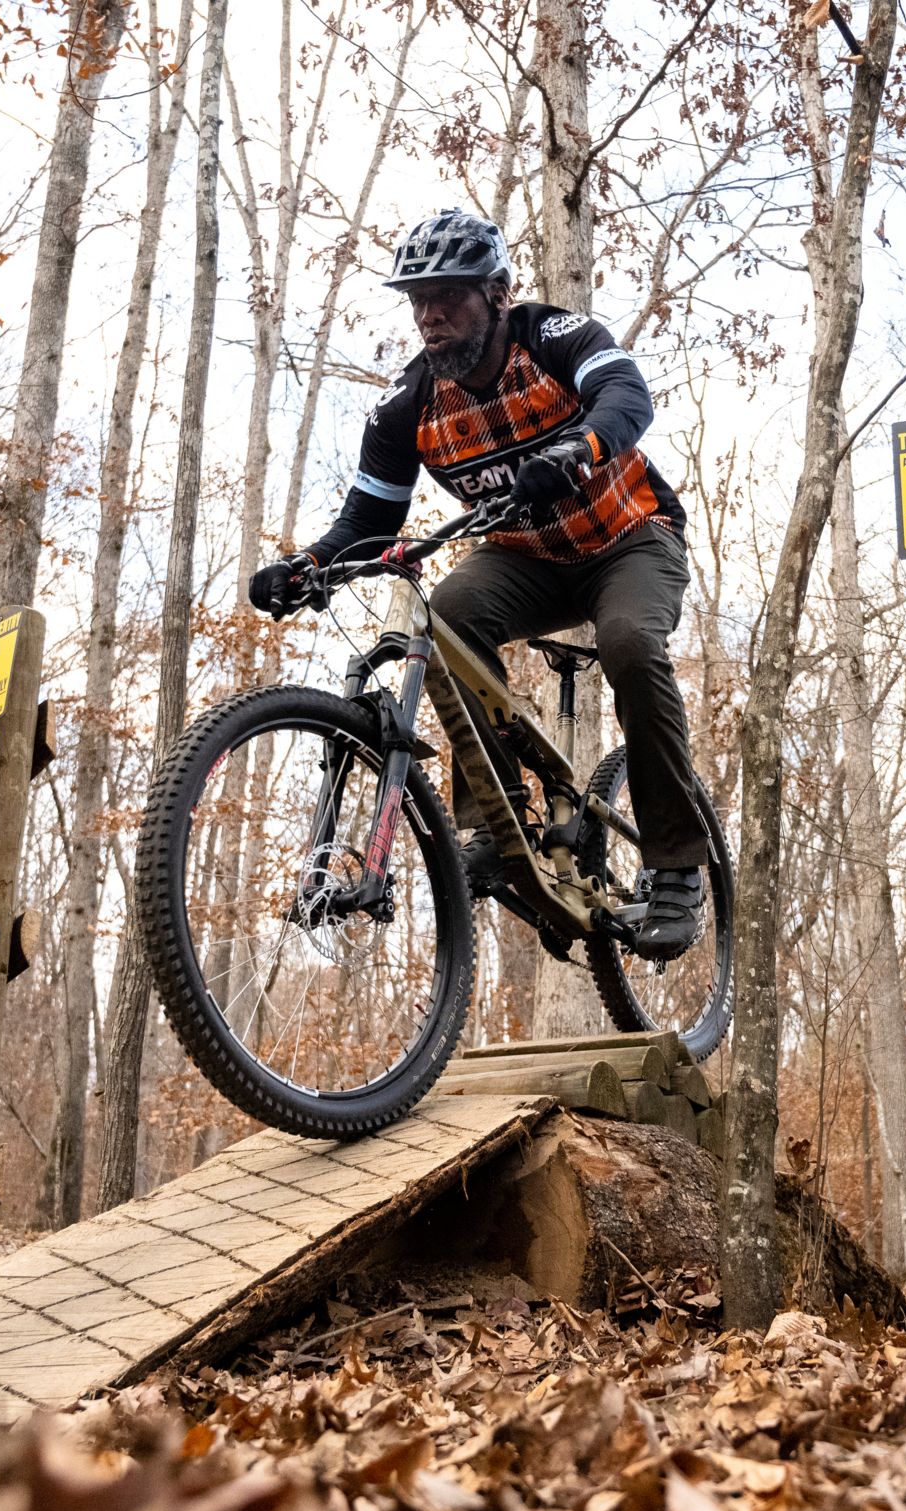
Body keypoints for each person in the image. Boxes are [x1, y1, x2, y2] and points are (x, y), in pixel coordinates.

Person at [248, 208, 707, 961]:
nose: (429, 317)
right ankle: (495, 823)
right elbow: (369, 518)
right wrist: (309, 569)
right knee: (448, 614)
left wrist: (576, 447)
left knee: (628, 641)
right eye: (416, 301)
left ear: (496, 293)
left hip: (630, 539)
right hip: (524, 560)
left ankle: (675, 863)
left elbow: (628, 399)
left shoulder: (556, 340)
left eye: (448, 298)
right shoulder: (408, 407)